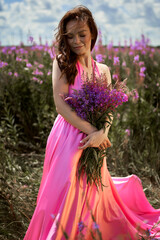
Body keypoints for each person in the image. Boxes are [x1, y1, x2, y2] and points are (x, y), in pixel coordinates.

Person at [23, 5, 160, 240]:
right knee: (64, 187)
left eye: (82, 34)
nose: (76, 40)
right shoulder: (62, 62)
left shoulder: (103, 71)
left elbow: (108, 111)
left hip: (96, 138)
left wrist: (102, 133)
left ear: (92, 34)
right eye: (70, 36)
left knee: (92, 188)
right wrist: (93, 133)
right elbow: (61, 106)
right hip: (68, 136)